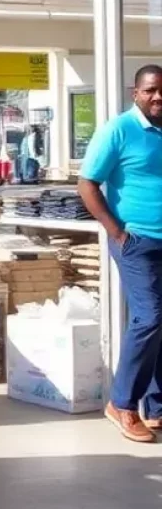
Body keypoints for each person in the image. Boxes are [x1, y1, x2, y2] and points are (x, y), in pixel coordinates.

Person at [78, 64, 162, 443]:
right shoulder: (118, 130)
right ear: (136, 93)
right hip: (136, 241)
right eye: (150, 90)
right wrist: (116, 232)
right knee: (149, 317)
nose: (158, 97)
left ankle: (157, 409)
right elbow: (87, 183)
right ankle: (122, 404)